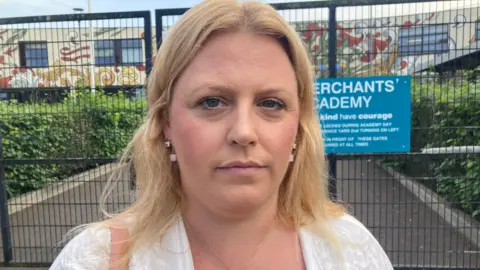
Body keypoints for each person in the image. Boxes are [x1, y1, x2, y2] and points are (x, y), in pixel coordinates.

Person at [50, 0, 394, 269]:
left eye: (271, 103)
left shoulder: (351, 252)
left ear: (298, 128)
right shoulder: (95, 260)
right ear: (165, 120)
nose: (243, 132)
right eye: (212, 101)